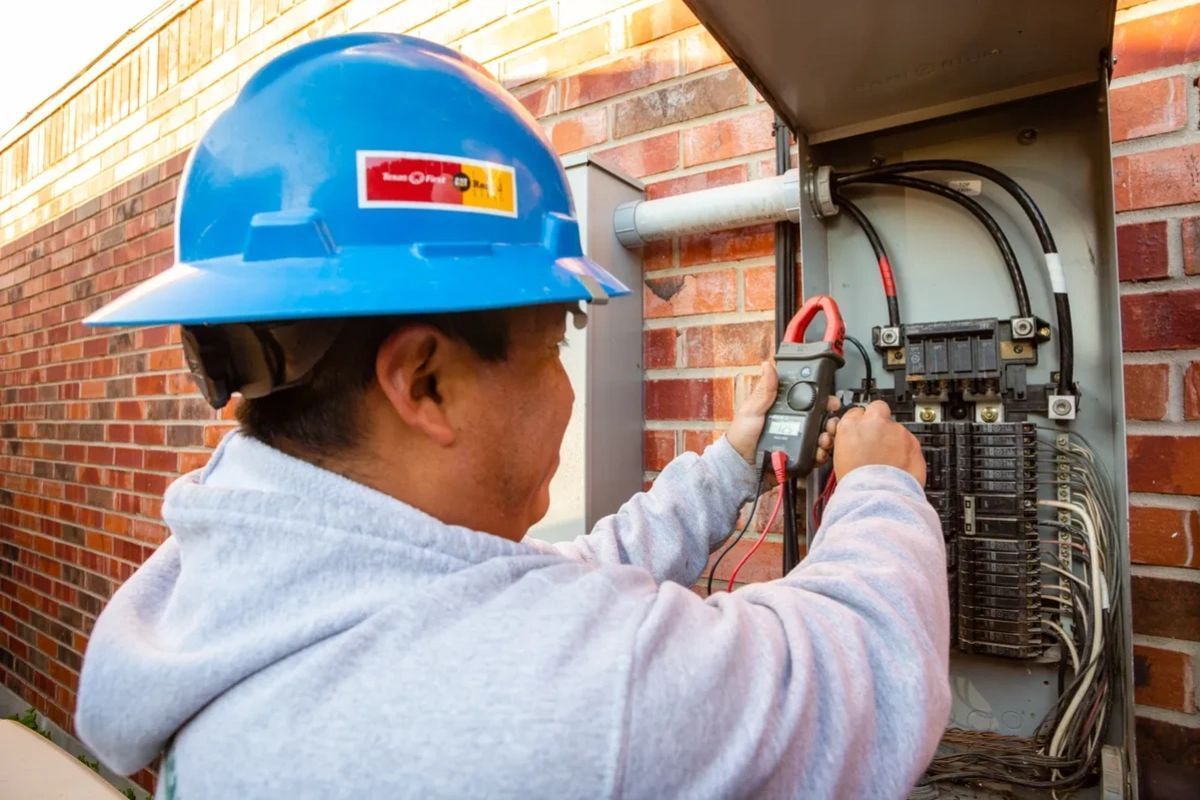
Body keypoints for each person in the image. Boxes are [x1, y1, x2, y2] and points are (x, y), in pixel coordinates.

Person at [74, 33, 949, 799]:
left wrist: (728, 462)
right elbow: (867, 674)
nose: (566, 388)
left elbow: (546, 582)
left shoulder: (226, 591)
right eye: (552, 345)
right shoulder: (576, 697)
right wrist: (879, 485)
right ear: (424, 383)